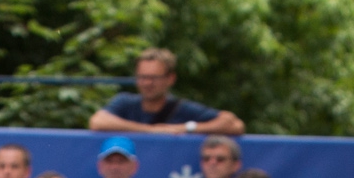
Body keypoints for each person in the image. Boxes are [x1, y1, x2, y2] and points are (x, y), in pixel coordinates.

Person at [88, 46, 242, 134]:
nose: (147, 83)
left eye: (154, 77)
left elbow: (234, 124)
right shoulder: (124, 102)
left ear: (170, 79)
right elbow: (97, 121)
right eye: (142, 77)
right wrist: (150, 131)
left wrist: (184, 128)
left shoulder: (181, 109)